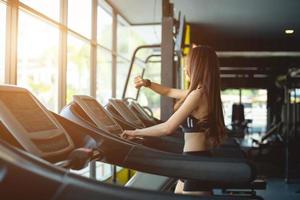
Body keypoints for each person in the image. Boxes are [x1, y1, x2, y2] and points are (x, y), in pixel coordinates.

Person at [121, 45, 225, 195]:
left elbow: (167, 127)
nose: (185, 69)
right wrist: (147, 83)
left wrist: (135, 132)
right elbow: (168, 91)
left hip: (195, 163)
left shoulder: (198, 95)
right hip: (191, 161)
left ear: (197, 67)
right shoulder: (199, 93)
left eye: (188, 64)